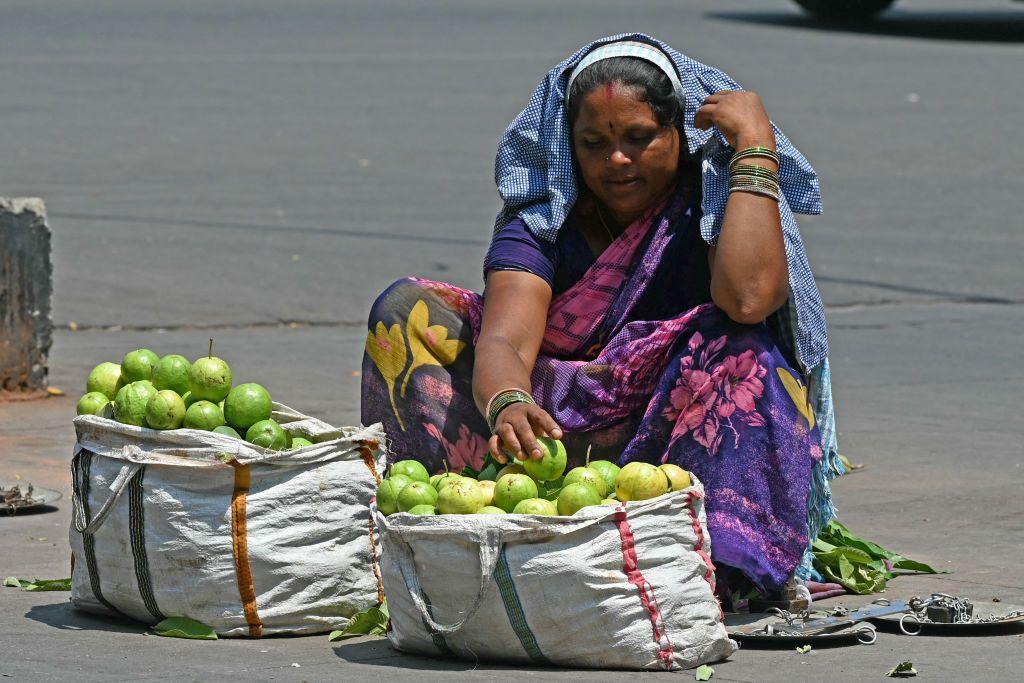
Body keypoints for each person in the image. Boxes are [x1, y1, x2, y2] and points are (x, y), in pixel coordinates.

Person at [361, 35, 844, 595]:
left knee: (740, 346)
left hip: (670, 451)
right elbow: (506, 340)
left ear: (680, 134)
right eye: (594, 143)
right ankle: (450, 542)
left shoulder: (706, 201)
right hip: (540, 443)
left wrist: (756, 149)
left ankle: (718, 561)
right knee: (407, 310)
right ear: (570, 148)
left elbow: (750, 298)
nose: (617, 160)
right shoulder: (547, 218)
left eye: (640, 139)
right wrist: (510, 401)